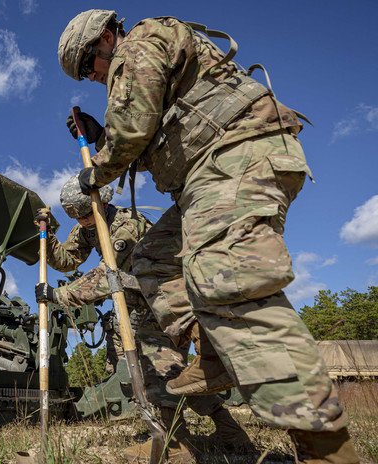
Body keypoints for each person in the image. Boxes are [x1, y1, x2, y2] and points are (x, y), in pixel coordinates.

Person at [58, 10, 358, 462]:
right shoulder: (138, 68)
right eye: (85, 73)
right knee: (154, 259)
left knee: (230, 284)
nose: (92, 76)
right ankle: (212, 350)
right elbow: (154, 141)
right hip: (204, 176)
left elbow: (134, 130)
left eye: (88, 65)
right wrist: (104, 136)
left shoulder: (138, 44)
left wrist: (95, 170)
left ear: (104, 37)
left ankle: (326, 450)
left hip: (234, 157)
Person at [35, 177, 251, 460]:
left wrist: (57, 295)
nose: (84, 221)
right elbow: (66, 261)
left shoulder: (126, 226)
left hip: (165, 300)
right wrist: (48, 233)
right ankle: (230, 432)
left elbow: (107, 276)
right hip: (143, 304)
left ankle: (176, 444)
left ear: (101, 204)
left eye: (86, 214)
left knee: (158, 370)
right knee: (174, 371)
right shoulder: (88, 230)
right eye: (77, 216)